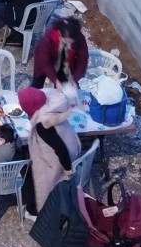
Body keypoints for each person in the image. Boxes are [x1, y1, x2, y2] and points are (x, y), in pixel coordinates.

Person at [21, 86, 80, 215]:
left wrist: (68, 169)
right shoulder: (52, 104)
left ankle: (35, 211)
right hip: (72, 144)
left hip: (63, 156)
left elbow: (60, 148)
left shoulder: (43, 125)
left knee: (35, 177)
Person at [32, 16, 90, 94]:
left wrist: (75, 79)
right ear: (60, 34)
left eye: (71, 43)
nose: (69, 46)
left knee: (63, 90)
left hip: (65, 63)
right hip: (46, 62)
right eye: (67, 42)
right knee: (37, 84)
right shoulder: (48, 39)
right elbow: (44, 61)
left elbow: (82, 60)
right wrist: (55, 80)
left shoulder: (78, 37)